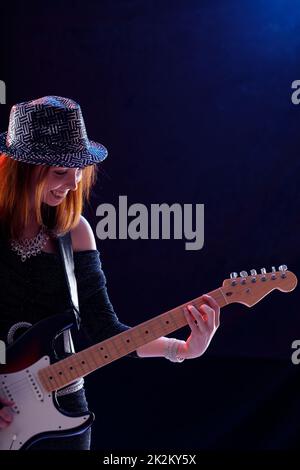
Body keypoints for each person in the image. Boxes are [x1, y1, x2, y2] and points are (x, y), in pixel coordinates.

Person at [0, 96, 220, 450]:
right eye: (60, 171)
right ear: (21, 167)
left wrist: (182, 348)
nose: (73, 184)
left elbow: (104, 329)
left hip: (64, 415)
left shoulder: (75, 232)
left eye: (79, 171)